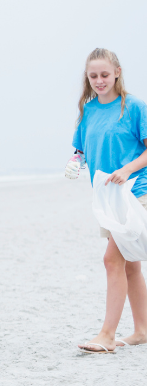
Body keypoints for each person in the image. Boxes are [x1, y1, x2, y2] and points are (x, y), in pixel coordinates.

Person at [68, 48, 147, 354]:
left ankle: (107, 335)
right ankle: (142, 330)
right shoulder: (89, 110)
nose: (99, 81)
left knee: (112, 260)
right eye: (93, 76)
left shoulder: (135, 107)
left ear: (117, 72)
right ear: (87, 79)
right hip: (106, 197)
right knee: (130, 266)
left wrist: (127, 169)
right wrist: (75, 161)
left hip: (136, 193)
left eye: (104, 74)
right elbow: (81, 148)